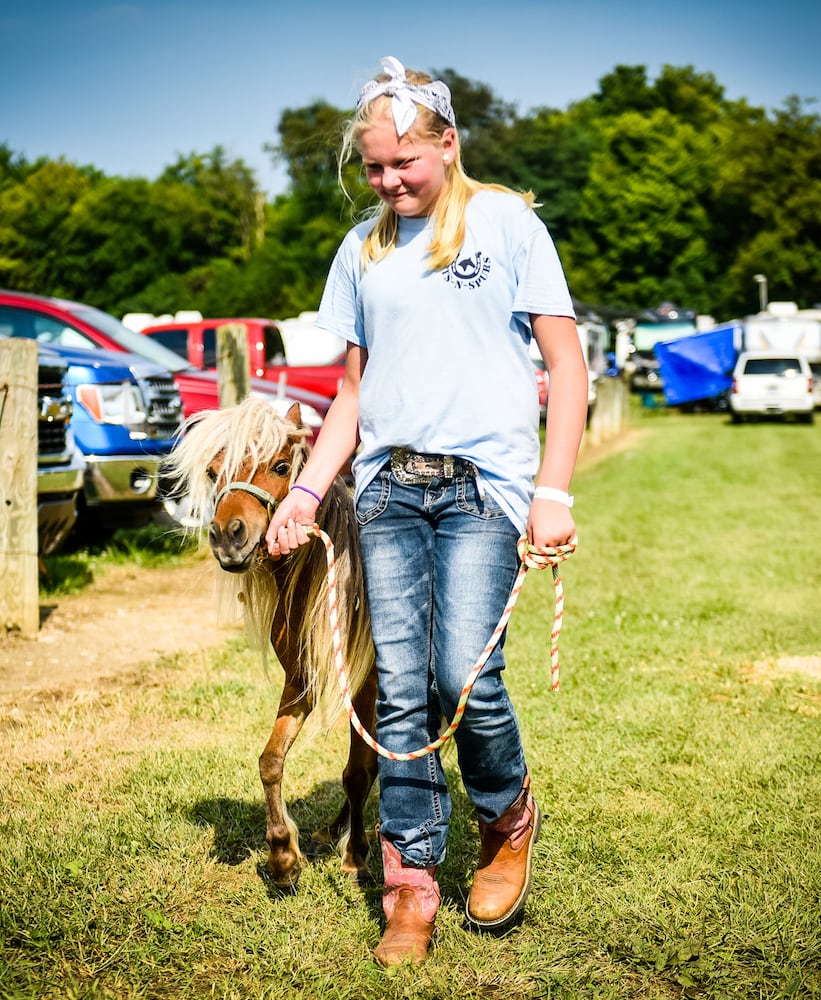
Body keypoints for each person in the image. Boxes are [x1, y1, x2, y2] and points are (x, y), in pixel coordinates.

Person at [265, 55, 588, 966]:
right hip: (387, 493)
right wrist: (301, 493)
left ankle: (506, 818)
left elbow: (565, 367)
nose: (388, 181)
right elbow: (353, 393)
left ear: (448, 144)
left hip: (485, 488)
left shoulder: (507, 223)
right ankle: (409, 886)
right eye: (373, 167)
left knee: (464, 678)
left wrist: (552, 493)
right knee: (401, 692)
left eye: (403, 162)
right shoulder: (361, 249)